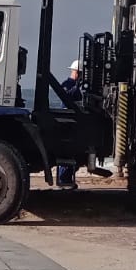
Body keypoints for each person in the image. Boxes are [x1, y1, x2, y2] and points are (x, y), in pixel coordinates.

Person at [55, 59, 81, 189]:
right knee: (68, 151)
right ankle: (63, 179)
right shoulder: (68, 84)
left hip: (72, 118)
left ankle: (66, 178)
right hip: (68, 119)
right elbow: (65, 97)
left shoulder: (74, 86)